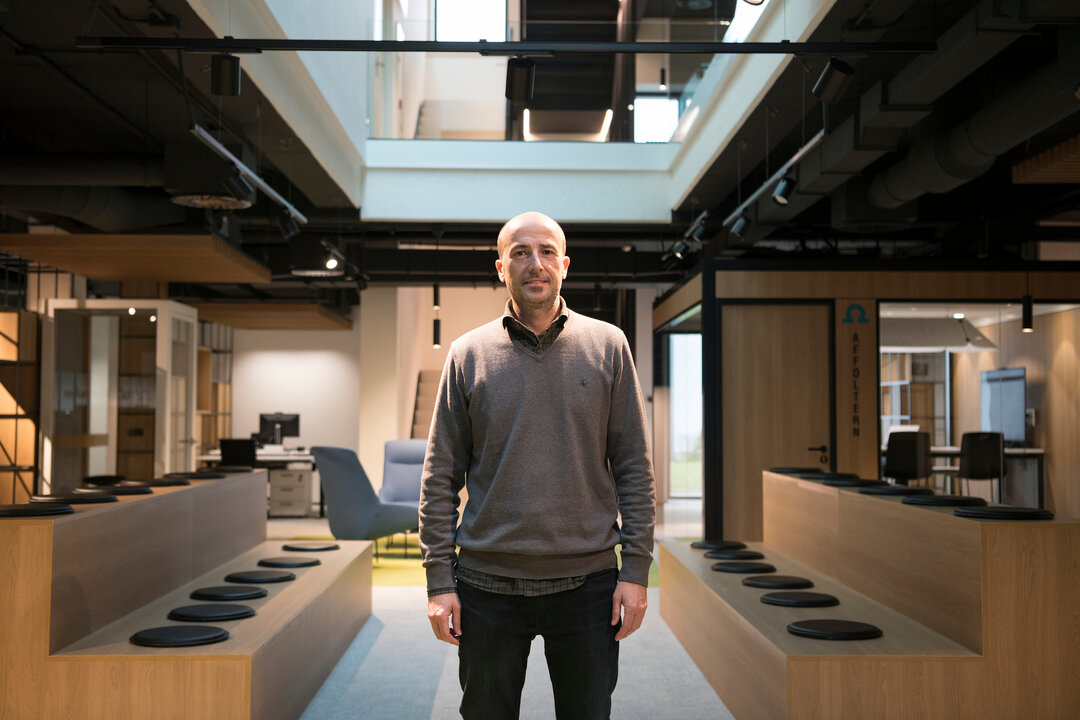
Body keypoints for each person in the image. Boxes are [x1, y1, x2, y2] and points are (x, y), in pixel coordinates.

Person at [419, 211, 656, 720]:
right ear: (500, 267)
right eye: (520, 253)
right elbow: (439, 476)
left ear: (564, 265)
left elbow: (634, 466)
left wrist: (636, 570)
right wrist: (439, 580)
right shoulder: (467, 354)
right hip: (487, 584)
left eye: (547, 251)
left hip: (588, 582)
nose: (535, 264)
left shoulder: (609, 345)